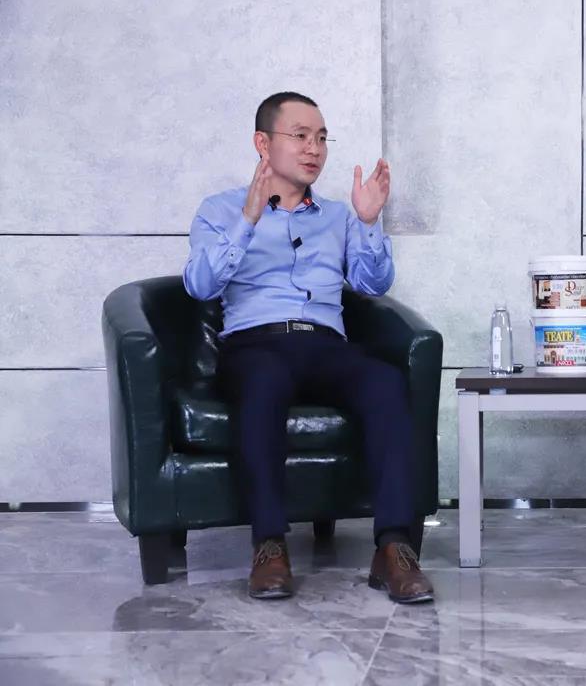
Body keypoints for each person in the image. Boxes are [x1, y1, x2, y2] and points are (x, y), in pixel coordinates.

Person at [183, 92, 434, 603]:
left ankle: (393, 548)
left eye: (321, 138)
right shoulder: (221, 210)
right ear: (263, 143)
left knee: (385, 383)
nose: (314, 148)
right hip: (255, 344)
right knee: (263, 382)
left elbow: (372, 284)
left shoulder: (339, 216)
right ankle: (270, 546)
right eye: (300, 136)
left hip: (324, 344)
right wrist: (247, 221)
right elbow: (199, 286)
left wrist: (368, 222)